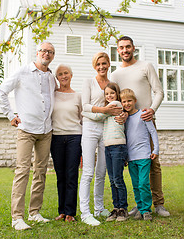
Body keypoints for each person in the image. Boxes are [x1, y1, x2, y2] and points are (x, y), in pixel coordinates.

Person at [0, 42, 57, 230]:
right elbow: (2, 91)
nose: (46, 54)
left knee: (41, 172)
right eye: (44, 51)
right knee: (22, 171)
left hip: (46, 130)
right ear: (37, 52)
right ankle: (17, 217)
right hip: (26, 129)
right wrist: (10, 115)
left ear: (52, 56)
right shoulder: (23, 71)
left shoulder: (51, 77)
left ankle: (34, 213)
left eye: (50, 52)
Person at [111, 36, 170, 217]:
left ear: (133, 48)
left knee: (153, 163)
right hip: (126, 125)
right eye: (121, 48)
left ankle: (158, 204)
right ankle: (140, 204)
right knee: (133, 165)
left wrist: (152, 110)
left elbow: (159, 91)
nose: (125, 50)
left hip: (145, 121)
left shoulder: (146, 66)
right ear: (118, 50)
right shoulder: (115, 74)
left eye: (128, 47)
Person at [79, 52, 122, 226]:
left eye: (104, 63)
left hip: (106, 129)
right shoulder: (88, 82)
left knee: (101, 171)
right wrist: (104, 111)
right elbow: (85, 106)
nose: (101, 67)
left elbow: (118, 104)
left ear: (109, 64)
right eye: (98, 64)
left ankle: (98, 208)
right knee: (88, 171)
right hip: (90, 127)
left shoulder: (112, 85)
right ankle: (85, 213)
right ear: (94, 65)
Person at [81, 82, 129, 222]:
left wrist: (84, 112)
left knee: (118, 179)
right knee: (113, 179)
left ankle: (123, 209)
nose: (109, 96)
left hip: (117, 146)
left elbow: (97, 117)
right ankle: (116, 208)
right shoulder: (109, 106)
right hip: (108, 145)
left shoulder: (115, 105)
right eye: (106, 94)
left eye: (112, 93)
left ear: (117, 94)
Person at [50, 64, 82, 223]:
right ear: (57, 77)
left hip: (74, 138)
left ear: (71, 75)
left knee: (71, 175)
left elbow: (82, 119)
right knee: (60, 175)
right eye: (60, 74)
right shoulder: (52, 95)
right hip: (56, 138)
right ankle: (61, 211)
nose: (63, 76)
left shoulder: (78, 96)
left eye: (66, 73)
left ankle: (70, 212)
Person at [121, 88, 159, 221]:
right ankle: (140, 207)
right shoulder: (124, 119)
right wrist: (125, 157)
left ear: (135, 101)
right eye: (124, 101)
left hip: (144, 155)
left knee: (143, 183)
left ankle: (146, 210)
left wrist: (156, 150)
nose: (127, 104)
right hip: (131, 157)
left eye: (129, 101)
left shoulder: (143, 115)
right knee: (136, 184)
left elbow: (153, 132)